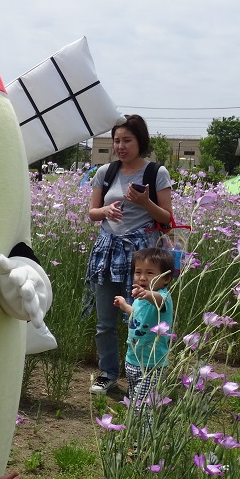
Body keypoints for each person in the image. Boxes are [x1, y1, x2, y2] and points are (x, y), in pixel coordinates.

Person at [85, 114, 172, 395]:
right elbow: (92, 213)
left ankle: (145, 374)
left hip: (143, 258)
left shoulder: (155, 173)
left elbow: (168, 219)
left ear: (140, 141)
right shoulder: (105, 172)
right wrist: (105, 211)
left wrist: (146, 202)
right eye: (116, 141)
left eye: (127, 140)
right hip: (107, 252)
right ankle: (108, 373)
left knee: (143, 317)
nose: (120, 146)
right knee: (105, 320)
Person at [113, 247, 174, 419]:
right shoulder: (140, 297)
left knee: (145, 406)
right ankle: (135, 436)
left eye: (149, 273)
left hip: (152, 364)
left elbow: (157, 300)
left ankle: (144, 440)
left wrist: (147, 294)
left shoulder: (163, 297)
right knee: (134, 402)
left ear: (166, 278)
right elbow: (136, 314)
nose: (142, 277)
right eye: (138, 272)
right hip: (133, 359)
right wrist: (125, 305)